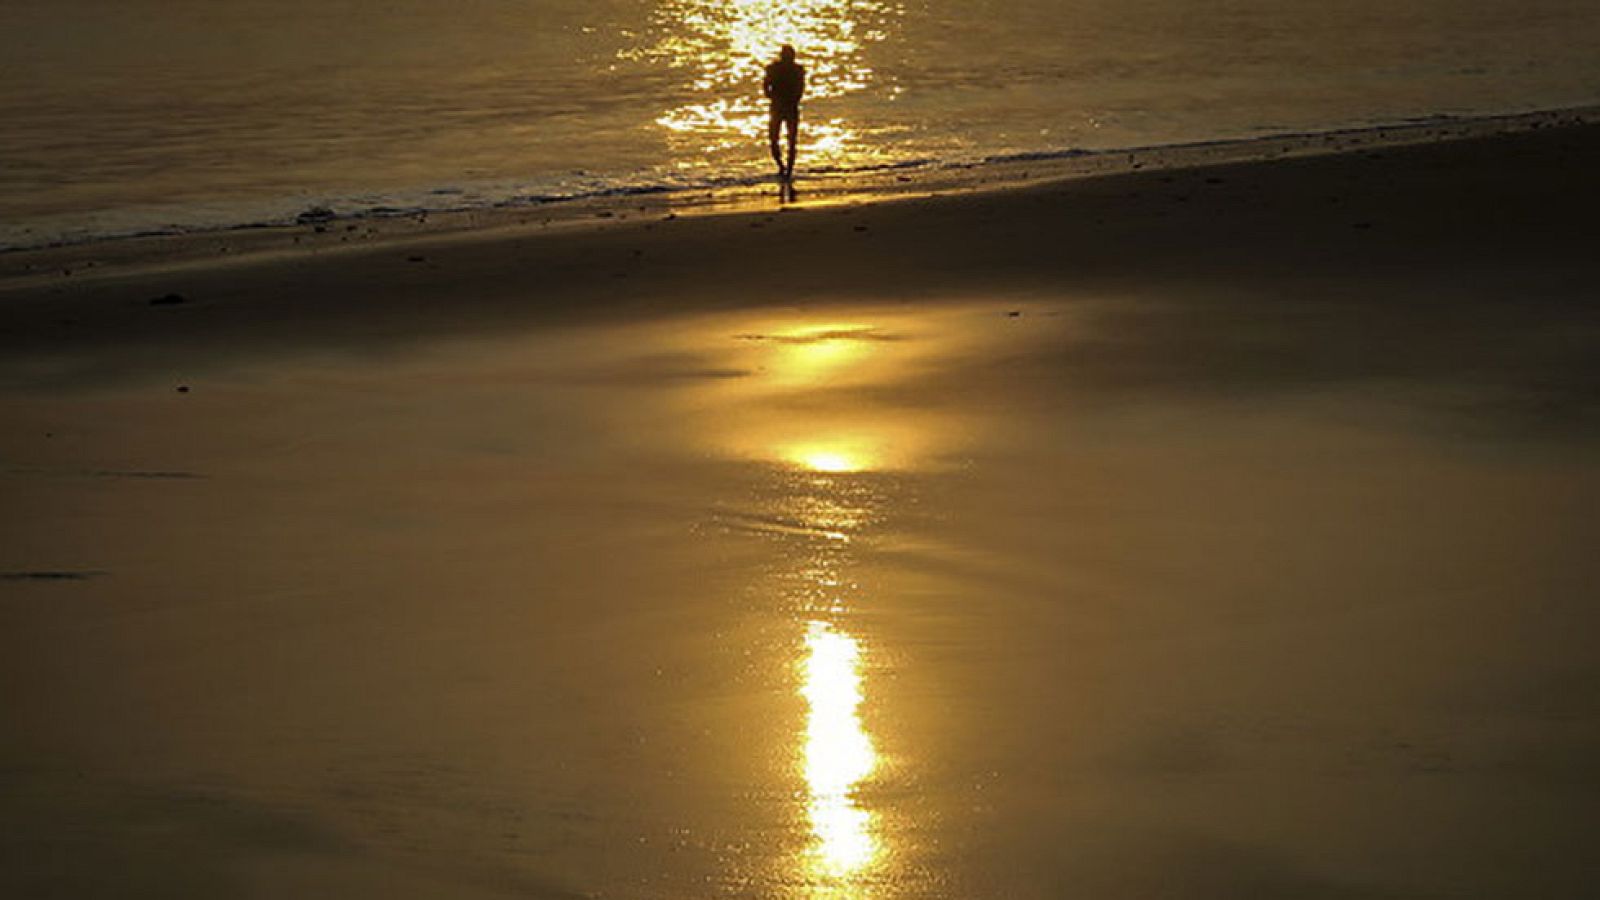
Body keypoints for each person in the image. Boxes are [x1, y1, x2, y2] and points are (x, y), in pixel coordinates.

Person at [763, 45, 806, 178]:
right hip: (780, 106)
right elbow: (766, 85)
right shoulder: (774, 69)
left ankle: (788, 169)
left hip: (788, 106)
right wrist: (771, 96)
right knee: (775, 138)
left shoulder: (797, 70)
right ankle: (782, 167)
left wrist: (773, 96)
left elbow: (800, 89)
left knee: (790, 139)